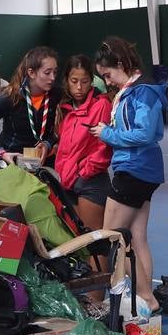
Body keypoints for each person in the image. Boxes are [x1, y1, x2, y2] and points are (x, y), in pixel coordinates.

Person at [90, 37, 168, 316]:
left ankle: (146, 298)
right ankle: (148, 300)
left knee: (113, 239)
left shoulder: (142, 92)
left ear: (120, 65)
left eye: (108, 74)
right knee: (137, 238)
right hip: (141, 169)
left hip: (135, 169)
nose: (107, 82)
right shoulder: (135, 90)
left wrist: (107, 134)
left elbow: (144, 133)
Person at [55, 54, 113, 246]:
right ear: (66, 81)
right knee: (77, 243)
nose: (79, 87)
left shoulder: (102, 105)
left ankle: (104, 277)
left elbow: (104, 148)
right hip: (66, 183)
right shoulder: (64, 109)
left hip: (90, 182)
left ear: (92, 81)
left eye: (85, 81)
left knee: (95, 244)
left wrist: (83, 171)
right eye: (74, 81)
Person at [0, 47, 61, 164]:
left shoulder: (56, 94)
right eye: (47, 73)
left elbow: (54, 130)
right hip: (14, 160)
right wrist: (1, 152)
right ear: (31, 73)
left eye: (55, 72)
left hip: (43, 159)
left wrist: (48, 143)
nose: (53, 78)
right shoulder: (9, 97)